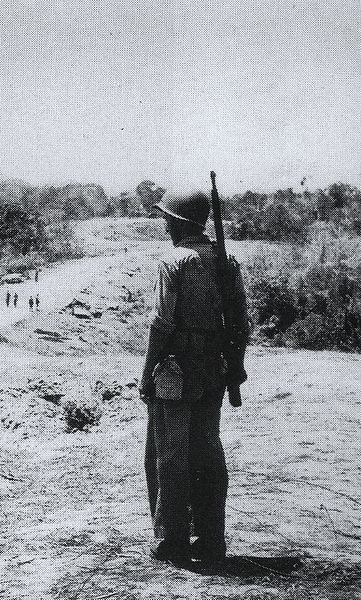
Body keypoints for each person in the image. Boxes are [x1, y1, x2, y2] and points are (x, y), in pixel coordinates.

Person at [140, 192, 248, 564]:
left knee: (170, 454)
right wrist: (235, 364)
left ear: (182, 222)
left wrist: (146, 374)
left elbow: (161, 323)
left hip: (176, 369)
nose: (166, 226)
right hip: (213, 371)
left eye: (169, 220)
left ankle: (173, 539)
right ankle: (210, 537)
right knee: (208, 453)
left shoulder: (174, 261)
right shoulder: (225, 260)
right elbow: (241, 324)